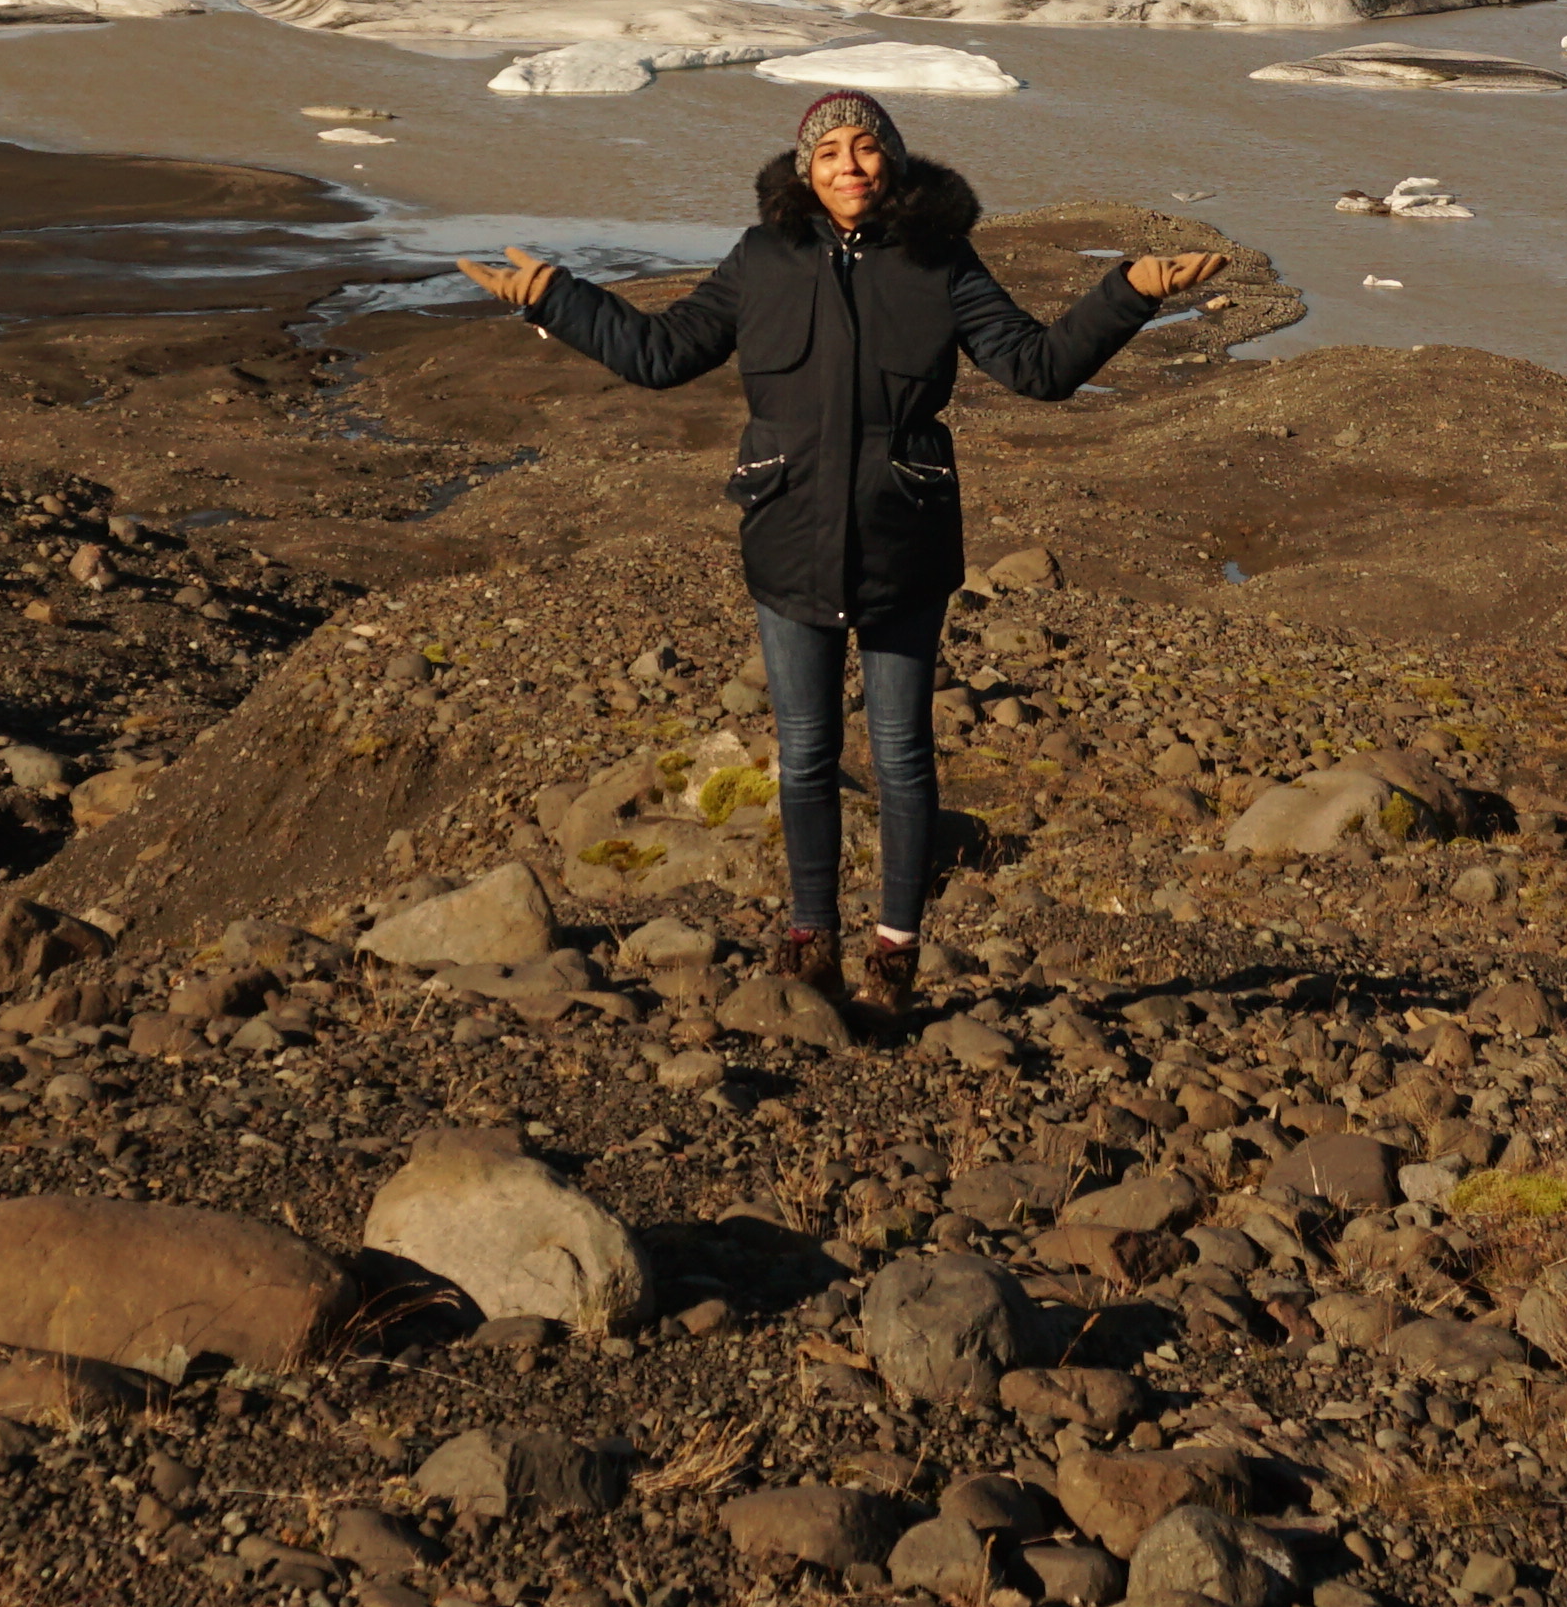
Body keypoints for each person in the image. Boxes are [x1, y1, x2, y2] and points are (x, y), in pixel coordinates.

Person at [469, 89, 1215, 1017]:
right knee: (807, 754)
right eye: (828, 154)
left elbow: (1038, 368)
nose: (849, 166)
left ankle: (894, 954)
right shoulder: (763, 258)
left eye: (865, 148)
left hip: (904, 540)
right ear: (805, 172)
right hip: (788, 536)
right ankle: (811, 943)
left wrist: (1130, 291)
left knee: (901, 753)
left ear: (891, 160)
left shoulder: (941, 260)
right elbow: (663, 353)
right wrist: (556, 298)